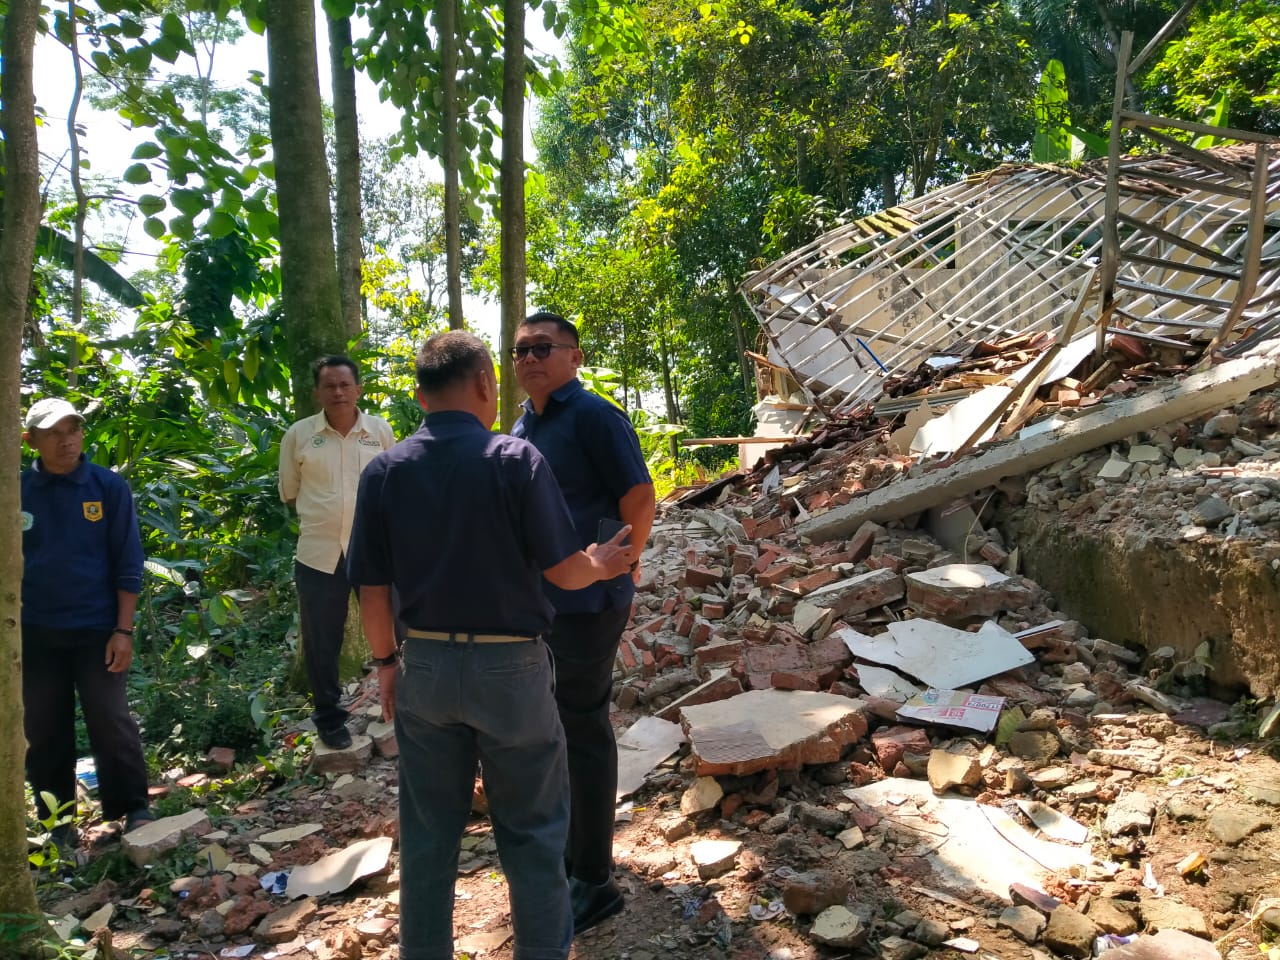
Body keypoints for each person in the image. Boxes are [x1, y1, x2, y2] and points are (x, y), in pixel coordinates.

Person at [347, 330, 634, 960]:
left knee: (427, 839)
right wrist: (602, 564)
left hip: (425, 665)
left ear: (420, 395)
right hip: (511, 669)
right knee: (532, 834)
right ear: (483, 383)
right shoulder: (514, 459)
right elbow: (563, 570)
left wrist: (387, 663)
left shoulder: (384, 471)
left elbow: (371, 590)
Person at [511, 311, 656, 932]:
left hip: (589, 602)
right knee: (559, 728)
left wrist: (623, 564)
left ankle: (594, 880)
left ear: (574, 356)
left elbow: (639, 496)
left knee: (583, 726)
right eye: (520, 351)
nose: (529, 359)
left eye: (542, 348)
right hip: (546, 603)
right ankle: (572, 856)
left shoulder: (595, 415)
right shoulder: (525, 425)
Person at [20, 397, 153, 844]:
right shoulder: (16, 491)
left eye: (73, 430)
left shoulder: (106, 486)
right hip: (35, 632)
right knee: (44, 731)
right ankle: (57, 824)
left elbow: (127, 560)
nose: (67, 441)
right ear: (31, 440)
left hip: (98, 629)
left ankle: (133, 807)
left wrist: (124, 630)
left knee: (110, 719)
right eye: (54, 433)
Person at [278, 356, 399, 750]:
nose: (338, 392)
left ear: (358, 389)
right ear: (317, 392)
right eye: (329, 386)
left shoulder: (379, 431)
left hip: (374, 550)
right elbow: (290, 491)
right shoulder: (299, 435)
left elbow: (394, 485)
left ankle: (403, 705)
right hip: (319, 554)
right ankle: (330, 720)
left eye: (345, 385)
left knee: (394, 628)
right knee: (321, 641)